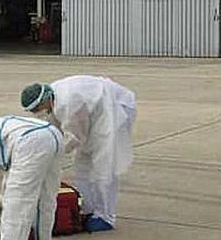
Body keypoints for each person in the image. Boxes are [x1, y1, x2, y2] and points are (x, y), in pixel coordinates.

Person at [21, 76, 137, 232]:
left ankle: (105, 216)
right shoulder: (52, 100)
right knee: (81, 164)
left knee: (104, 164)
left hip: (112, 108)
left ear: (45, 100)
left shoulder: (69, 103)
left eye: (37, 109)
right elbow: (55, 130)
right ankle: (88, 209)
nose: (37, 113)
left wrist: (51, 155)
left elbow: (74, 137)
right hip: (92, 111)